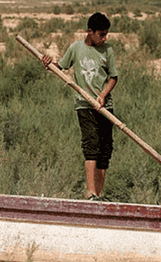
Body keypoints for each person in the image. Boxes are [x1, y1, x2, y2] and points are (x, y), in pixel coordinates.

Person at [42, 12, 118, 200]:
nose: (104, 38)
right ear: (89, 32)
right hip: (84, 105)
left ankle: (100, 194)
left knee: (105, 147)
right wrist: (48, 64)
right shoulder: (76, 48)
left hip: (104, 106)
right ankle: (90, 193)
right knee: (91, 144)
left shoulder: (108, 50)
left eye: (106, 34)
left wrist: (102, 95)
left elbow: (113, 77)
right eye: (101, 34)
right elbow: (60, 67)